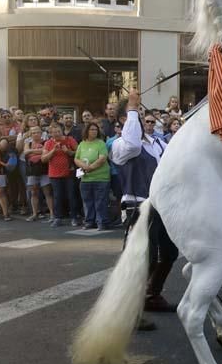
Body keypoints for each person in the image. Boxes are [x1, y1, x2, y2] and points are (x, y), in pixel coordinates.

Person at [111, 89, 180, 323]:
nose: (140, 118)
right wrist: (131, 106)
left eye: (140, 114)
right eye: (135, 115)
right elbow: (132, 145)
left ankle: (151, 295)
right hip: (138, 207)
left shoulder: (158, 143)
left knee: (170, 253)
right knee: (143, 258)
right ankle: (129, 309)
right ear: (124, 119)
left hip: (162, 206)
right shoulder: (120, 144)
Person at [75, 121, 111, 230]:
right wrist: (84, 167)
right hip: (85, 179)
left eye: (96, 130)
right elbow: (76, 158)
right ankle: (89, 222)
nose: (94, 131)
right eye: (92, 129)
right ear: (87, 131)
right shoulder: (82, 144)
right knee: (87, 202)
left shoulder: (101, 143)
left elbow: (102, 158)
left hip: (101, 178)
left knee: (100, 202)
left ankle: (101, 222)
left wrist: (90, 168)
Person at [42, 124, 79, 227]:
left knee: (71, 195)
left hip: (69, 172)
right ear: (50, 133)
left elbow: (79, 152)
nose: (57, 134)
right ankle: (58, 218)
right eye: (54, 132)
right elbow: (43, 159)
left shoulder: (70, 140)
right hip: (54, 174)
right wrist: (53, 150)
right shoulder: (48, 143)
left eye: (58, 131)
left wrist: (68, 151)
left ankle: (74, 217)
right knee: (57, 197)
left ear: (62, 131)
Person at [23, 127, 54, 221]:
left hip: (44, 169)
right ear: (30, 134)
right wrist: (41, 152)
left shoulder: (47, 142)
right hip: (32, 170)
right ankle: (35, 213)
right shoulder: (28, 143)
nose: (35, 134)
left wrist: (32, 151)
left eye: (37, 132)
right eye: (33, 133)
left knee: (47, 192)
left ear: (41, 133)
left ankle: (52, 213)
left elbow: (46, 152)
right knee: (33, 192)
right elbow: (25, 152)